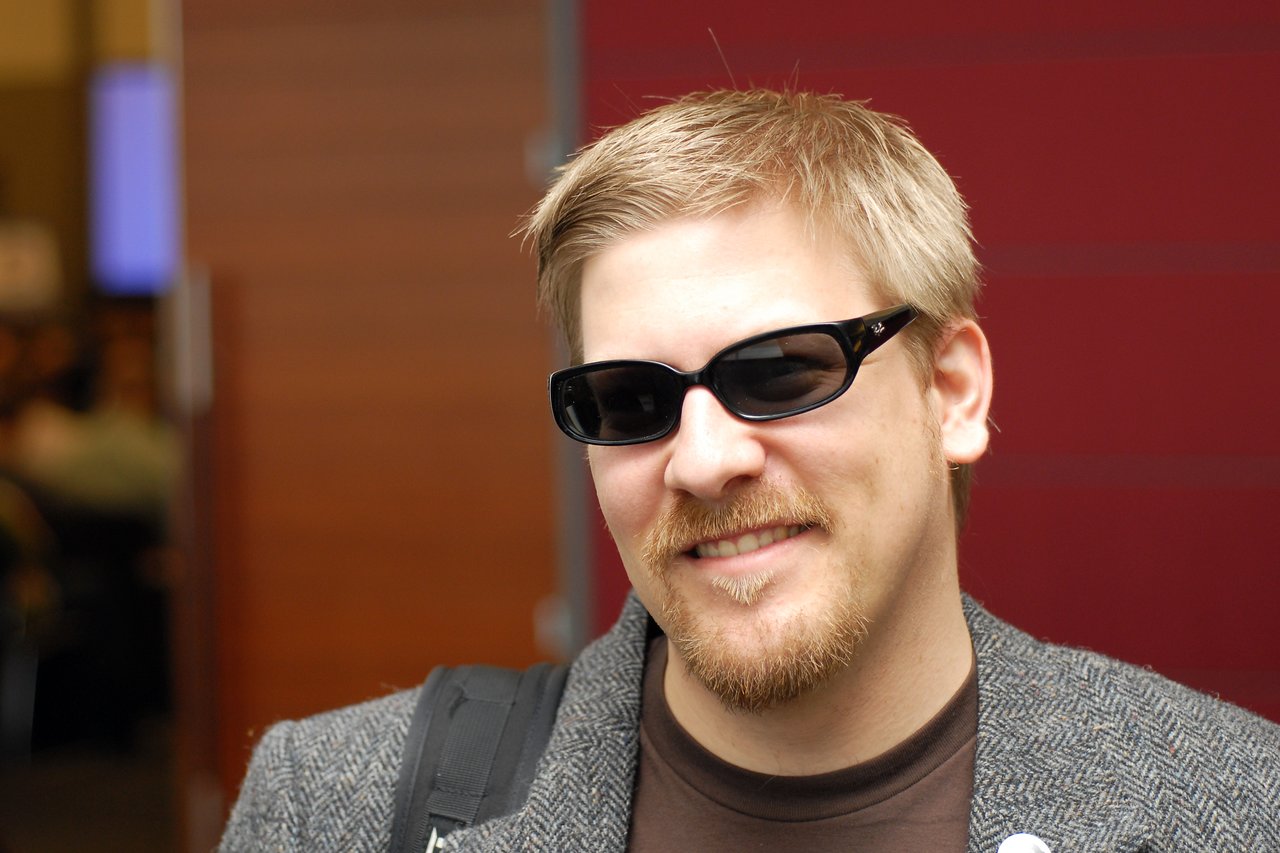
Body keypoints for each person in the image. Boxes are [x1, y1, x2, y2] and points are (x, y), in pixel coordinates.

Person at [219, 90, 1280, 852]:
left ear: (949, 391)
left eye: (778, 374)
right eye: (629, 400)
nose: (703, 457)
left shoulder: (1233, 810)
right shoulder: (334, 811)